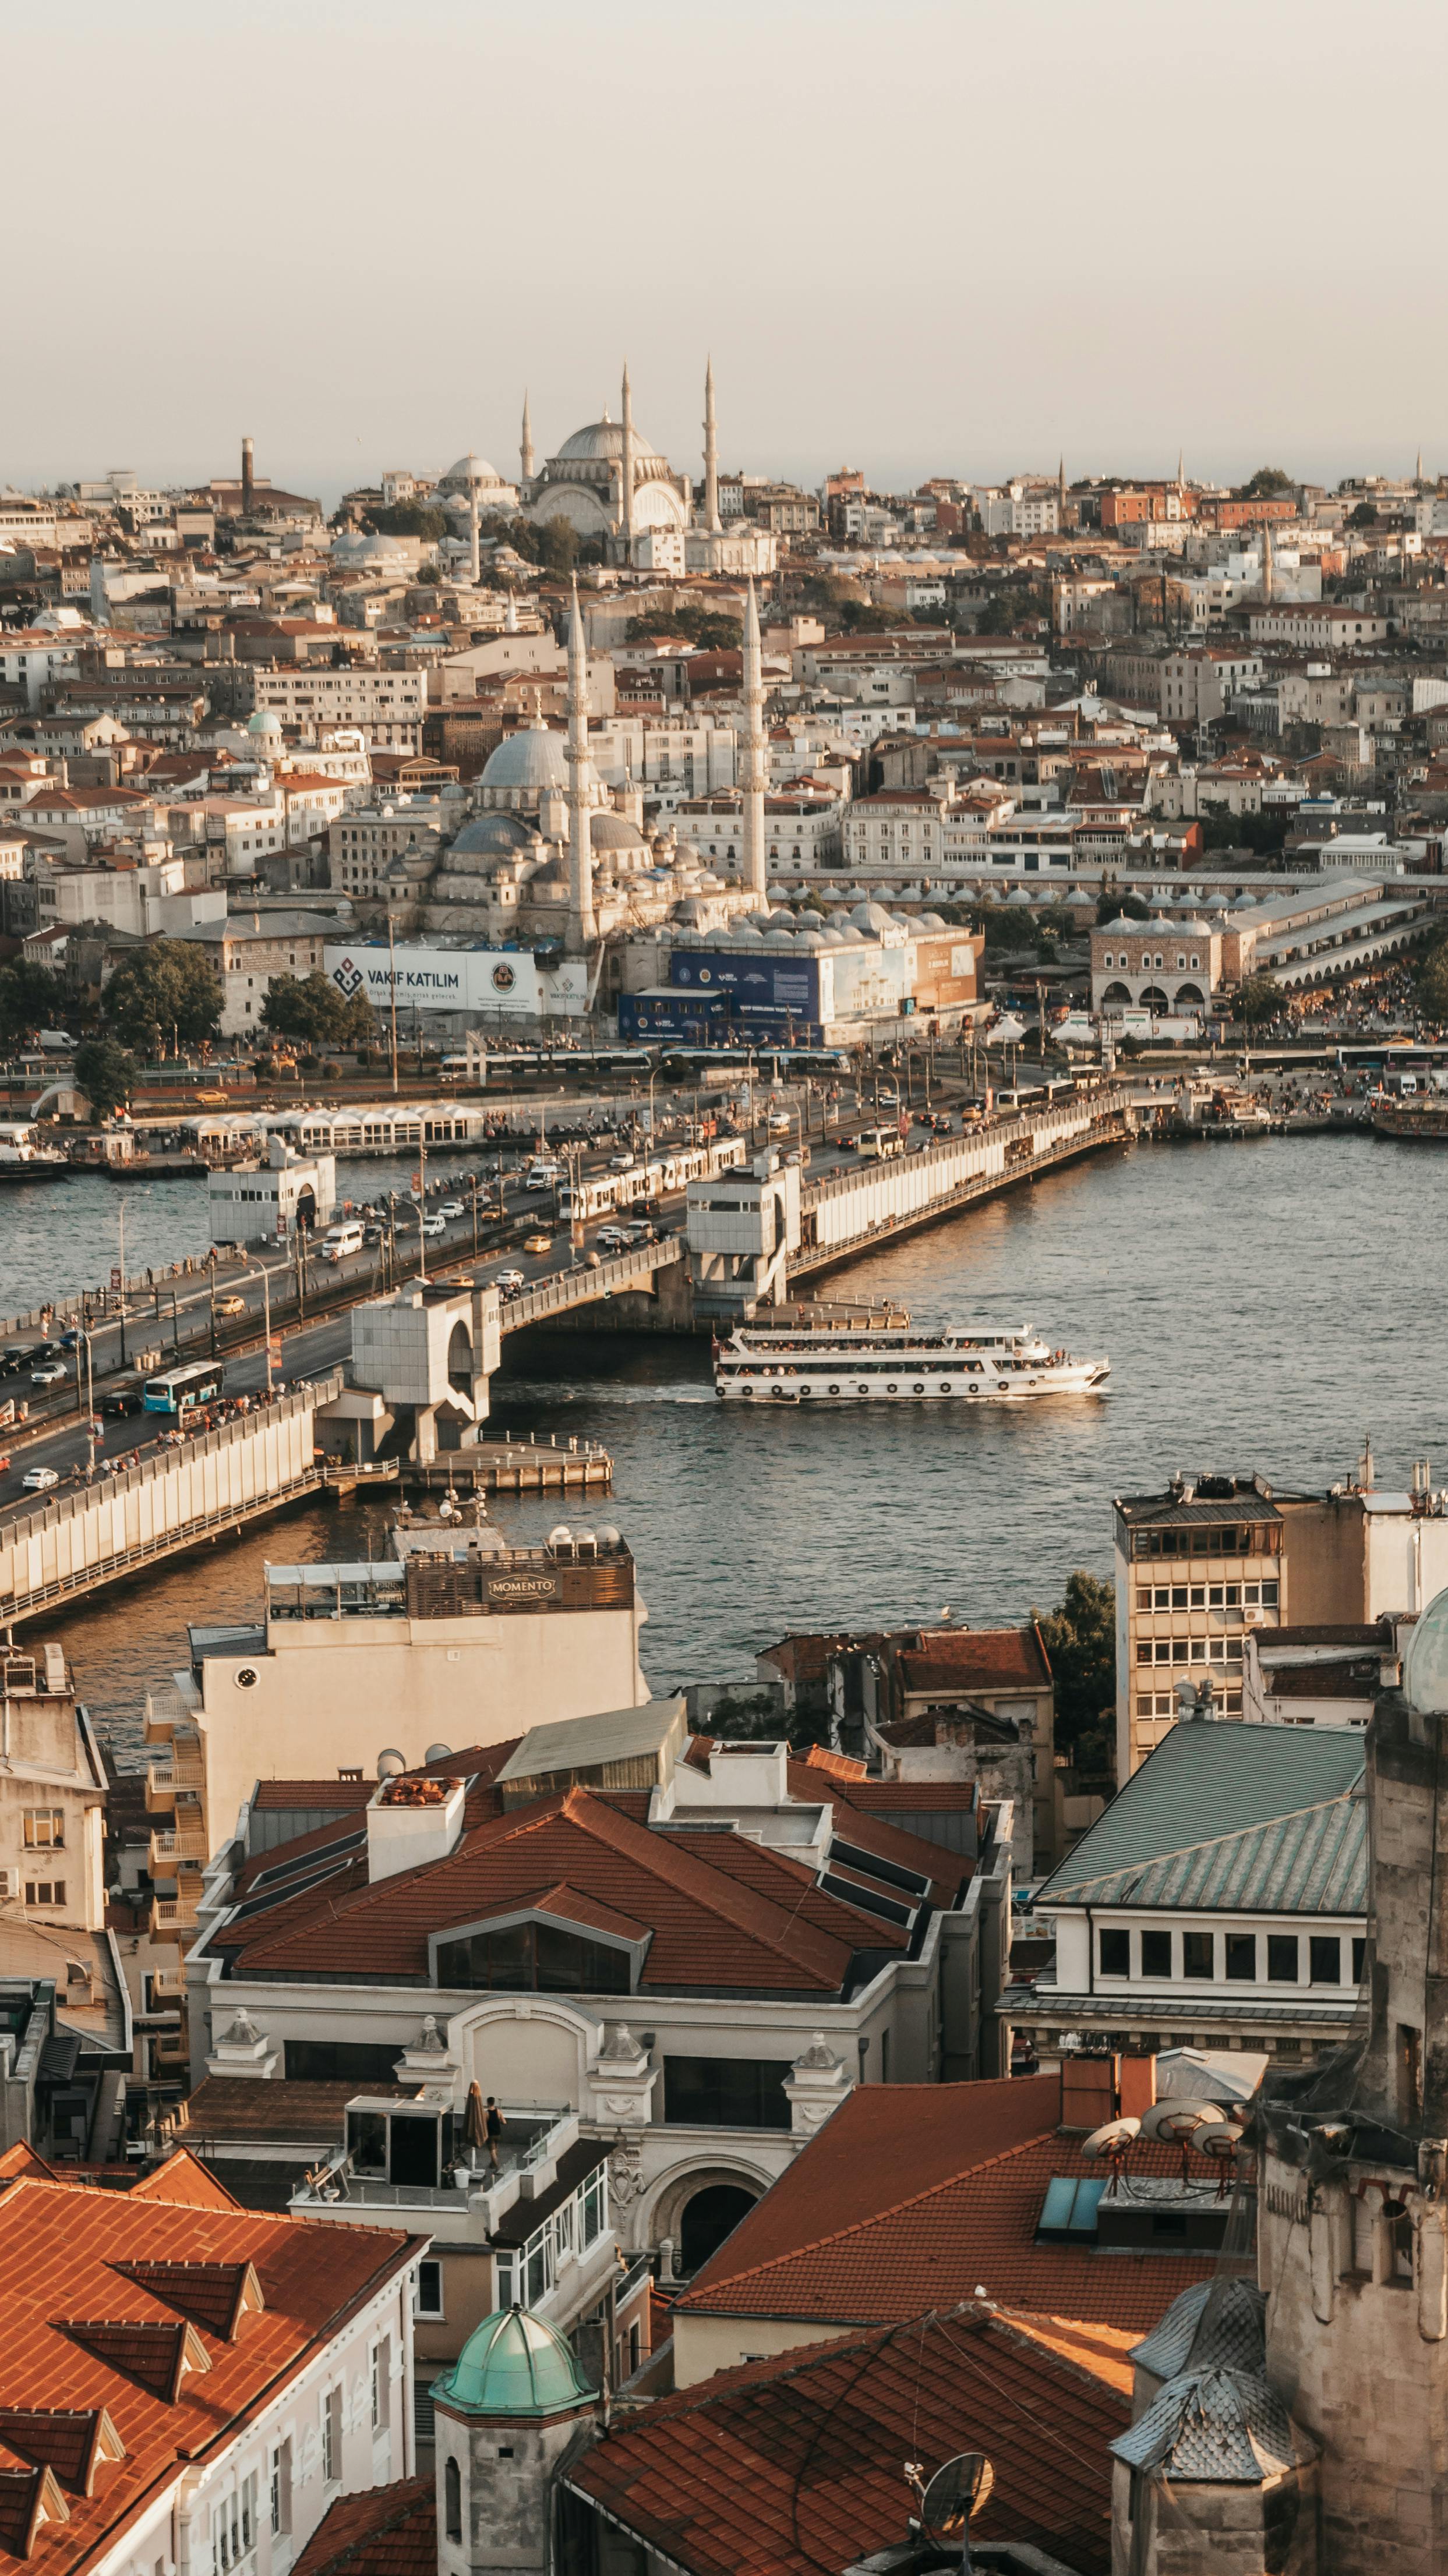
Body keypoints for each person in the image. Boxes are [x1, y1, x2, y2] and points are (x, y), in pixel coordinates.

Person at [485, 2095, 506, 2169]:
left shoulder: (486, 2113)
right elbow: (504, 2122)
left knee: (492, 2151)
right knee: (496, 2149)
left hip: (490, 2134)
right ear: (494, 2103)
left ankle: (497, 2167)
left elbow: (484, 2124)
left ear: (488, 2103)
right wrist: (498, 2121)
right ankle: (493, 2164)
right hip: (498, 2133)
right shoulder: (499, 2111)